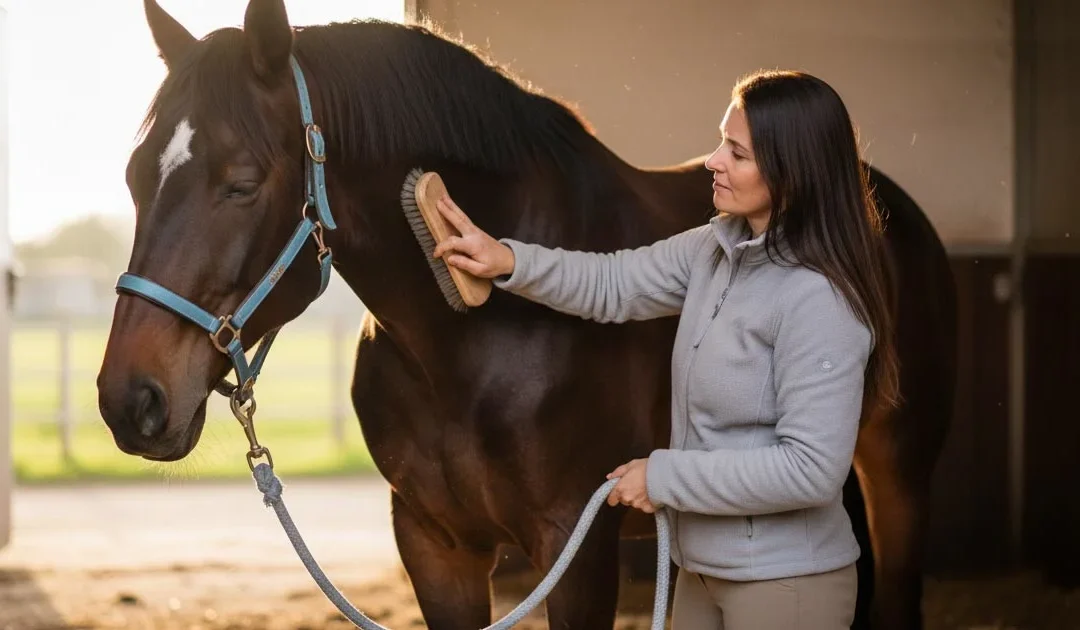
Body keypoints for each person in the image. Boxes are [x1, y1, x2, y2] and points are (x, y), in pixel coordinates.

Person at [431, 69, 898, 630]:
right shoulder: (715, 247)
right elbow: (614, 283)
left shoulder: (818, 298)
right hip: (701, 571)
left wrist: (663, 478)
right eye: (721, 141)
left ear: (792, 172)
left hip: (785, 583)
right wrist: (508, 260)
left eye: (737, 153)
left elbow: (812, 471)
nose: (712, 161)